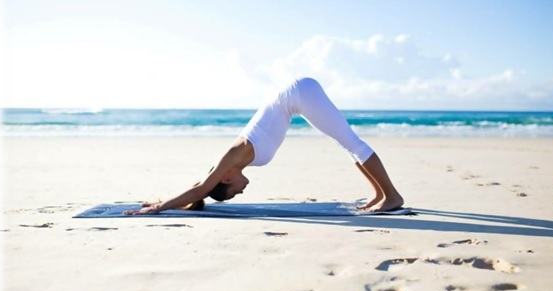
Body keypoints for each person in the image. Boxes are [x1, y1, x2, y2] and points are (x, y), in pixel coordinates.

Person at [124, 77, 404, 215]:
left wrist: (159, 207)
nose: (242, 190)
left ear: (227, 178)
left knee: (351, 142)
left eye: (233, 192)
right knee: (348, 145)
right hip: (297, 98)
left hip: (299, 93)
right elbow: (201, 190)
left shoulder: (232, 157)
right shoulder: (236, 163)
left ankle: (392, 197)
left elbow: (201, 189)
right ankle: (380, 195)